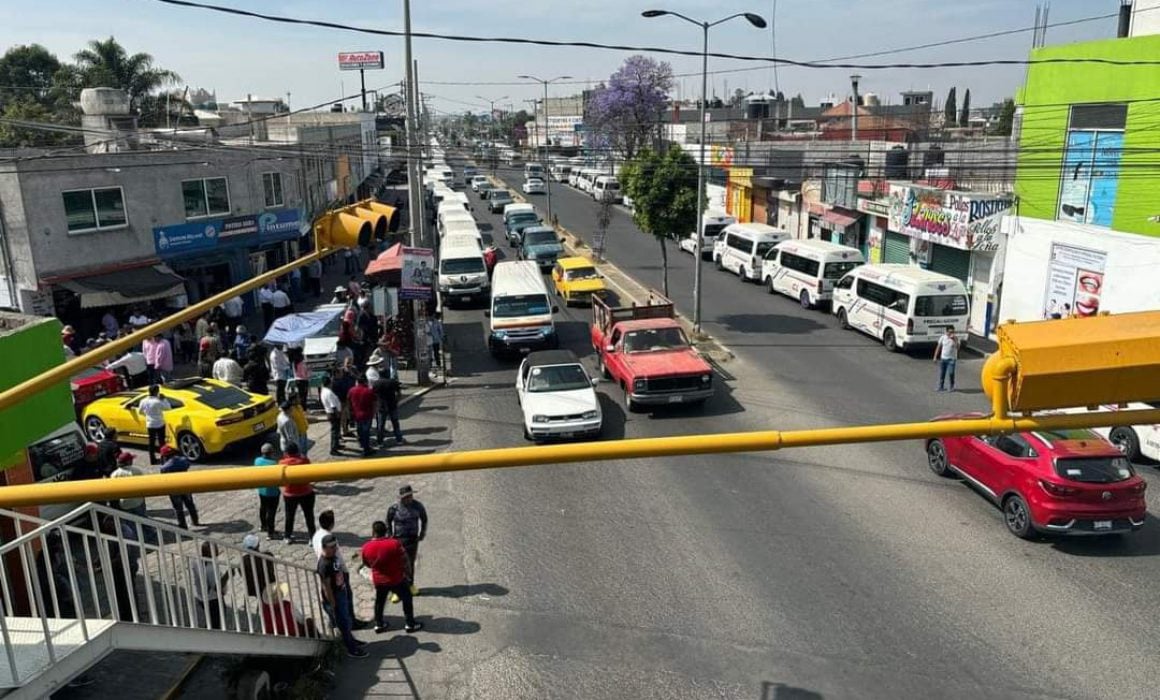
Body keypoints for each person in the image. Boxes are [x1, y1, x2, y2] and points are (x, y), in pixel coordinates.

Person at [361, 520, 423, 634]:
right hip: (396, 579)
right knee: (407, 598)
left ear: (373, 532)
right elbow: (405, 560)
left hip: (379, 580)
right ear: (386, 532)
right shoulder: (394, 544)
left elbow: (367, 564)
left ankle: (379, 624)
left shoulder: (366, 547)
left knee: (380, 601)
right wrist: (408, 574)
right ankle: (410, 624)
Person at [317, 533, 367, 658]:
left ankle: (351, 640)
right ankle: (351, 649)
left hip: (341, 592)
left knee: (347, 620)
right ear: (324, 548)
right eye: (332, 547)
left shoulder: (333, 557)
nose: (335, 549)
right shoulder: (324, 564)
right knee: (343, 623)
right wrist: (332, 602)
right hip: (335, 597)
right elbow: (326, 586)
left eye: (335, 546)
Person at [386, 485, 427, 596]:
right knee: (397, 564)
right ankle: (397, 590)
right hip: (398, 539)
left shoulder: (418, 506)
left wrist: (422, 532)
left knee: (410, 564)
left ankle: (410, 585)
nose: (409, 498)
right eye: (406, 497)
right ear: (401, 498)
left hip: (412, 539)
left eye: (410, 496)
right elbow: (388, 521)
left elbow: (424, 519)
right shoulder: (394, 508)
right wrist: (390, 535)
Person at [189, 541, 232, 630]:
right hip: (213, 599)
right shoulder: (210, 569)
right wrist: (227, 575)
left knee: (211, 619)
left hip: (201, 596)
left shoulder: (196, 561)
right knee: (216, 621)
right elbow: (217, 587)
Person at [279, 443, 315, 543]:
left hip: (290, 494)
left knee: (289, 516)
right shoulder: (304, 460)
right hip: (306, 492)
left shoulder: (282, 463)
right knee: (309, 516)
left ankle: (287, 536)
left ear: (287, 452)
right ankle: (312, 537)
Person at [159, 444, 200, 528]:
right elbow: (187, 465)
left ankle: (183, 526)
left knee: (178, 508)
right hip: (185, 485)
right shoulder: (183, 460)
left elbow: (163, 475)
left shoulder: (164, 467)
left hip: (173, 489)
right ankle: (195, 521)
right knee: (190, 504)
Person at [369, 350, 403, 447]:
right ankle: (399, 440)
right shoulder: (392, 382)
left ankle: (380, 442)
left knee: (381, 425)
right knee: (395, 423)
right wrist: (396, 401)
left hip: (381, 406)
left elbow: (373, 395)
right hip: (392, 404)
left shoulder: (376, 384)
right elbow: (399, 393)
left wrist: (375, 405)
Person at [254, 443, 281, 539]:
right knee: (271, 512)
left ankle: (263, 526)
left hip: (261, 490)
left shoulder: (257, 461)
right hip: (273, 492)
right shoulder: (274, 464)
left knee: (263, 508)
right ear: (271, 452)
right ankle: (271, 532)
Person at [139, 384, 171, 464]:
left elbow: (140, 411)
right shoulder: (157, 401)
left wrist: (147, 415)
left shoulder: (143, 401)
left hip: (150, 424)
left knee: (151, 442)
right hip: (159, 423)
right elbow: (168, 408)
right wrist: (164, 399)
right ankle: (164, 459)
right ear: (156, 392)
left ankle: (152, 460)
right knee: (161, 442)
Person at [110, 452, 146, 518]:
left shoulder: (114, 474)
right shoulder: (136, 471)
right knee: (143, 520)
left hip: (124, 503)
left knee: (129, 521)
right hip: (137, 501)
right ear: (128, 461)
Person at [348, 374, 376, 456]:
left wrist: (351, 412)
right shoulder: (369, 391)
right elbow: (374, 403)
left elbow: (348, 402)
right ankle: (366, 449)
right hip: (367, 414)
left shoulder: (351, 390)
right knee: (366, 432)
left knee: (360, 430)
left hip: (356, 414)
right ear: (365, 381)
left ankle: (361, 444)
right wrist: (374, 412)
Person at [241, 534, 276, 599]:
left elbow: (242, 573)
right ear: (258, 545)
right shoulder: (268, 555)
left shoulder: (244, 560)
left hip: (254, 588)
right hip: (269, 584)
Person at [934, 325, 961, 392]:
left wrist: (954, 340)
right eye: (950, 332)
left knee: (951, 373)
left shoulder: (956, 338)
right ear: (946, 332)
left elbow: (958, 348)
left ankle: (952, 386)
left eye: (953, 332)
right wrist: (935, 357)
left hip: (952, 359)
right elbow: (938, 347)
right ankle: (941, 386)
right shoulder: (943, 337)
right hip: (943, 358)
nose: (951, 333)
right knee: (942, 373)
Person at [321, 375, 343, 455]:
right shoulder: (329, 392)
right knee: (335, 432)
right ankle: (333, 449)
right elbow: (333, 406)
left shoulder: (324, 391)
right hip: (333, 414)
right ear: (329, 383)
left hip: (330, 413)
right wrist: (338, 414)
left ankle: (336, 445)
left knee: (336, 431)